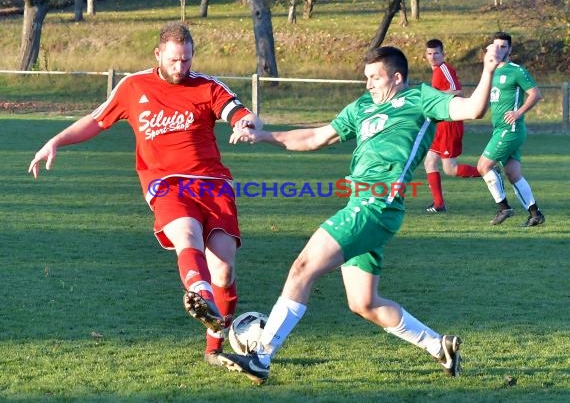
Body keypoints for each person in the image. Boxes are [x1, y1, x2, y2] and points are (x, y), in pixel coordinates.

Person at [217, 44, 503, 384]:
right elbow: (315, 137)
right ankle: (438, 346)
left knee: (303, 268)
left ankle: (261, 356)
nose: (368, 84)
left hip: (376, 204)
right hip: (361, 206)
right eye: (365, 77)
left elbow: (473, 108)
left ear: (397, 78)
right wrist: (262, 135)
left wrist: (488, 70)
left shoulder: (422, 100)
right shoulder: (362, 107)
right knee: (363, 302)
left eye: (375, 77)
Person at [28, 22, 263, 366]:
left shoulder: (207, 86)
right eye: (173, 60)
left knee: (224, 270)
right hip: (166, 184)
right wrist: (55, 141)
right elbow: (96, 121)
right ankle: (199, 294)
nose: (180, 67)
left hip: (212, 185)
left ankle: (214, 347)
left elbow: (239, 112)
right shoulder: (134, 86)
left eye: (185, 60)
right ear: (158, 54)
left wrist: (246, 124)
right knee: (186, 235)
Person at [476, 32, 545, 226]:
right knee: (513, 174)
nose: (498, 50)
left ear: (510, 49)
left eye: (503, 47)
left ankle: (504, 208)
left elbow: (535, 94)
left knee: (483, 166)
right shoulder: (490, 71)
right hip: (500, 128)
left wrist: (519, 112)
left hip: (511, 128)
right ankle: (535, 214)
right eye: (495, 46)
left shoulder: (516, 71)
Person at [424, 39, 481, 213]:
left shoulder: (444, 69)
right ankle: (439, 204)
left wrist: (434, 95)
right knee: (429, 162)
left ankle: (487, 170)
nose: (433, 57)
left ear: (443, 54)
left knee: (450, 168)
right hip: (440, 124)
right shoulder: (436, 72)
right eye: (429, 54)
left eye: (436, 54)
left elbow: (458, 92)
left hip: (450, 124)